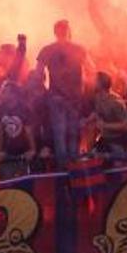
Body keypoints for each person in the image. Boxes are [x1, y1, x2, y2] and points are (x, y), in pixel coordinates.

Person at [36, 19, 89, 164]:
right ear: (69, 31)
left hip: (56, 97)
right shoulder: (79, 49)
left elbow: (38, 73)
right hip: (73, 99)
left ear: (55, 32)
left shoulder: (47, 50)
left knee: (60, 137)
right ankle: (74, 174)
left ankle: (63, 174)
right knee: (72, 135)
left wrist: (45, 91)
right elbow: (89, 71)